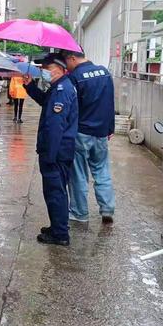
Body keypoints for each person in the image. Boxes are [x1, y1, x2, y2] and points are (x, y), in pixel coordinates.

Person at [23, 53, 78, 246]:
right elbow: (44, 101)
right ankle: (57, 226)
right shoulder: (57, 88)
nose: (43, 72)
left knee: (55, 192)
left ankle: (60, 234)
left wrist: (50, 156)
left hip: (56, 152)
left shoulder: (62, 90)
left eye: (45, 68)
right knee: (55, 191)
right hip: (57, 150)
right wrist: (30, 86)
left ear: (58, 69)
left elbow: (56, 126)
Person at [62, 50, 116, 224]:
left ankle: (79, 213)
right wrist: (110, 128)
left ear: (72, 58)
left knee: (78, 175)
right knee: (102, 171)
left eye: (66, 63)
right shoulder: (104, 72)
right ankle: (107, 209)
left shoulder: (74, 77)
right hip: (101, 132)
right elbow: (110, 102)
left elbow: (71, 107)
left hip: (81, 132)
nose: (66, 67)